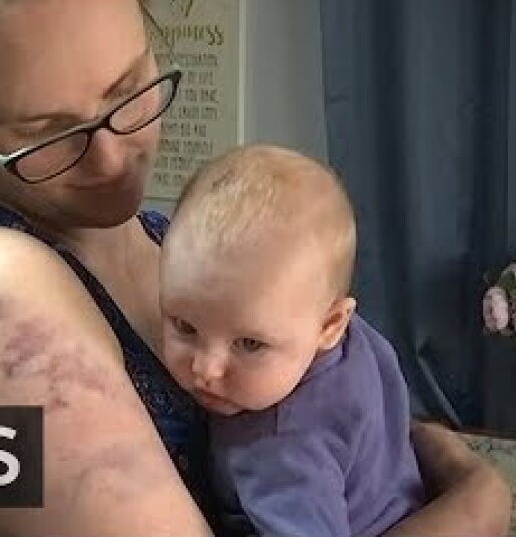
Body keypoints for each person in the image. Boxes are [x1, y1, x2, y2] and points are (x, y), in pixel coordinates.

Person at [0, 0, 513, 536]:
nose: (109, 159)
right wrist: (478, 505)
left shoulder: (169, 245)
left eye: (127, 89)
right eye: (46, 131)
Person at [159, 145, 423, 537]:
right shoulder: (353, 337)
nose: (205, 369)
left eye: (249, 344)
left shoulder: (279, 450)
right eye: (184, 326)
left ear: (331, 324)